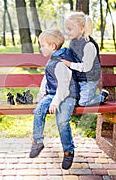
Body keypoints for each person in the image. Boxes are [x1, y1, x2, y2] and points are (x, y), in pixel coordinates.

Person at [30, 29, 79, 170]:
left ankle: (68, 151)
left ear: (52, 46)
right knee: (38, 111)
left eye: (42, 45)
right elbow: (47, 79)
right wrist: (41, 98)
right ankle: (38, 142)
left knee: (62, 121)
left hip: (68, 96)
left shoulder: (60, 62)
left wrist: (55, 102)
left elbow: (64, 86)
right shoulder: (52, 60)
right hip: (53, 94)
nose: (40, 48)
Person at [62, 11, 109, 107]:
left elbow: (87, 67)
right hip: (78, 78)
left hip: (89, 79)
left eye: (70, 29)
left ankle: (102, 96)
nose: (66, 32)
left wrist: (70, 64)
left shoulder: (89, 45)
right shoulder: (73, 42)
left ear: (81, 28)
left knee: (83, 103)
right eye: (66, 29)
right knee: (72, 100)